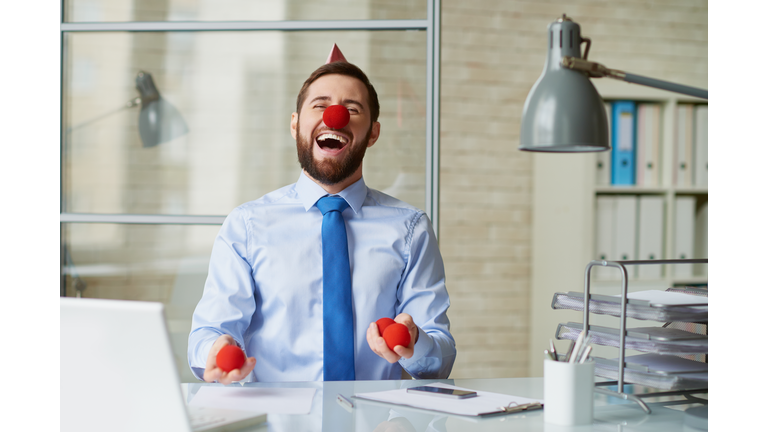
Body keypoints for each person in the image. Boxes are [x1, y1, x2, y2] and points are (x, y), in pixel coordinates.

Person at [188, 59, 455, 383]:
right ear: (295, 124)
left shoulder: (411, 230)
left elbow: (439, 358)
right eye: (320, 105)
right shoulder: (246, 225)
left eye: (353, 109)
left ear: (373, 133)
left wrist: (415, 344)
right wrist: (215, 351)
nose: (335, 117)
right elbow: (209, 333)